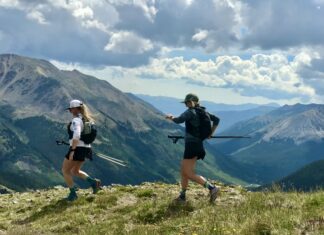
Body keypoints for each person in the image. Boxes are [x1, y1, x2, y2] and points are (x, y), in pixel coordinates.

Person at [166, 93, 220, 203]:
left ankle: (212, 188)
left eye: (187, 102)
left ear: (191, 102)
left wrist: (171, 117)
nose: (186, 105)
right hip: (197, 144)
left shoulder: (190, 112)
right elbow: (217, 120)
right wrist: (210, 133)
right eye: (185, 103)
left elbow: (179, 120)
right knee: (183, 171)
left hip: (192, 146)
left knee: (188, 173)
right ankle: (182, 196)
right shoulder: (203, 112)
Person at [62, 99, 101, 201]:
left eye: (70, 109)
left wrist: (72, 150)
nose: (70, 111)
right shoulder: (87, 120)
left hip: (77, 149)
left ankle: (73, 194)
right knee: (75, 170)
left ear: (75, 109)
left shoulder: (76, 120)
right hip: (86, 148)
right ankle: (94, 183)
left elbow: (77, 135)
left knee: (65, 170)